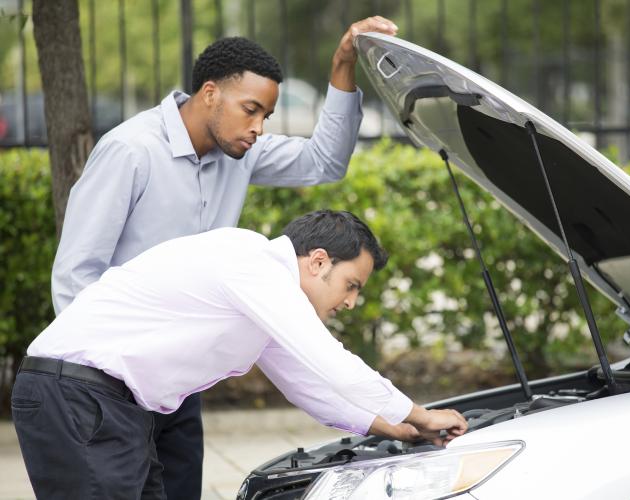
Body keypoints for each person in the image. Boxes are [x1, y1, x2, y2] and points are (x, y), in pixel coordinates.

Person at [49, 16, 399, 499]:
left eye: (266, 118)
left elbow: (325, 162)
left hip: (180, 384)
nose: (258, 128)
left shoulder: (241, 150)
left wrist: (343, 67)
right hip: (111, 384)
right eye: (250, 110)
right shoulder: (130, 151)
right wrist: (103, 386)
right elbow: (76, 273)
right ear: (210, 93)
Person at [13, 210, 468, 499]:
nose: (350, 302)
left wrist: (395, 428)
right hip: (76, 395)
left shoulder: (264, 297)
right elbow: (333, 364)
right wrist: (422, 414)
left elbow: (310, 385)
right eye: (352, 286)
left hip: (112, 408)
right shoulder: (251, 261)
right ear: (319, 261)